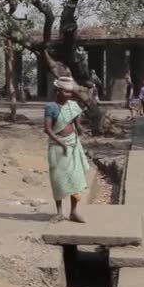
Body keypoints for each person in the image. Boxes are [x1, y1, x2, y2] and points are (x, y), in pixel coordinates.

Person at [43, 77, 90, 223]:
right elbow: (48, 129)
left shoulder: (73, 105)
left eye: (70, 92)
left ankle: (74, 212)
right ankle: (59, 212)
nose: (69, 95)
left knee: (75, 179)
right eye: (66, 92)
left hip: (73, 144)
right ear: (57, 91)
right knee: (58, 180)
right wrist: (61, 143)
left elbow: (77, 124)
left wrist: (82, 131)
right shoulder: (51, 107)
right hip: (58, 148)